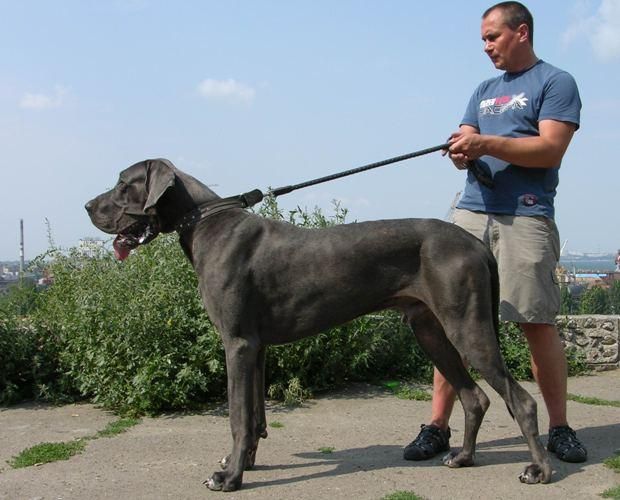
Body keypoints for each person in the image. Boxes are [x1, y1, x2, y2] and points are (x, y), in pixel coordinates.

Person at [404, 1, 587, 463]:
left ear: (521, 32)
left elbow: (550, 149)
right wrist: (462, 151)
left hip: (526, 216)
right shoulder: (483, 90)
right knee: (450, 320)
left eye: (492, 37)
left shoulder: (556, 82)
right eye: (483, 39)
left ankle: (559, 428)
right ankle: (437, 426)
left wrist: (484, 142)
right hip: (470, 214)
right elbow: (466, 135)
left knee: (534, 321)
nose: (486, 46)